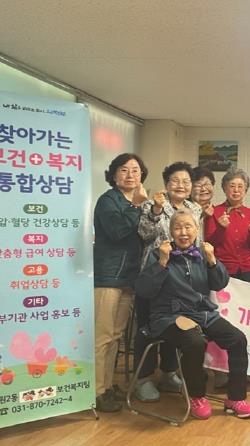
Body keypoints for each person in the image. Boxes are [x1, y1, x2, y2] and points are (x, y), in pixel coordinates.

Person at [135, 209, 250, 420]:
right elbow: (144, 290)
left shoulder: (201, 254)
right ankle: (197, 396)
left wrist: (212, 260)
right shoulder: (158, 254)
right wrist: (162, 262)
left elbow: (219, 284)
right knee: (195, 342)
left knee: (238, 339)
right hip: (168, 316)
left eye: (188, 226)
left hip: (201, 313)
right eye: (177, 227)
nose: (183, 232)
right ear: (171, 232)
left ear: (197, 229)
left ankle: (236, 398)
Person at [135, 161, 201, 402]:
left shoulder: (194, 208)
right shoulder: (153, 205)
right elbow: (145, 233)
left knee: (177, 324)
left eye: (186, 181)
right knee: (147, 329)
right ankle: (143, 379)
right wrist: (155, 210)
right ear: (166, 184)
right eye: (175, 180)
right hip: (154, 274)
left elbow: (195, 241)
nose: (181, 185)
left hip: (181, 280)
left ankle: (168, 373)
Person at [93, 153, 149, 412]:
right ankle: (96, 391)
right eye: (124, 170)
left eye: (135, 170)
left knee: (116, 336)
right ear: (114, 175)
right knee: (103, 337)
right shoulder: (108, 200)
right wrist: (136, 207)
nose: (130, 175)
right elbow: (116, 231)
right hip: (108, 276)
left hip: (128, 277)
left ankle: (107, 386)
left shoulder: (137, 202)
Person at [205, 169, 250, 283]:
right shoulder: (214, 212)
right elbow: (209, 243)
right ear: (224, 188)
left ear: (245, 190)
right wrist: (221, 228)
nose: (236, 190)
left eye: (240, 186)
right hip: (223, 268)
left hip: (247, 269)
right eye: (232, 186)